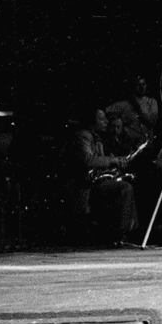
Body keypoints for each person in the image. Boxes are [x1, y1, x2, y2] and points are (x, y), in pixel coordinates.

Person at [63, 104, 138, 245]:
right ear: (92, 122)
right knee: (125, 188)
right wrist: (113, 160)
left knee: (126, 184)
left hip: (93, 183)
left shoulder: (97, 138)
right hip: (84, 187)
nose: (106, 122)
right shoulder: (83, 135)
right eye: (102, 119)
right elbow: (88, 160)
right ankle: (123, 233)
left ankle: (125, 231)